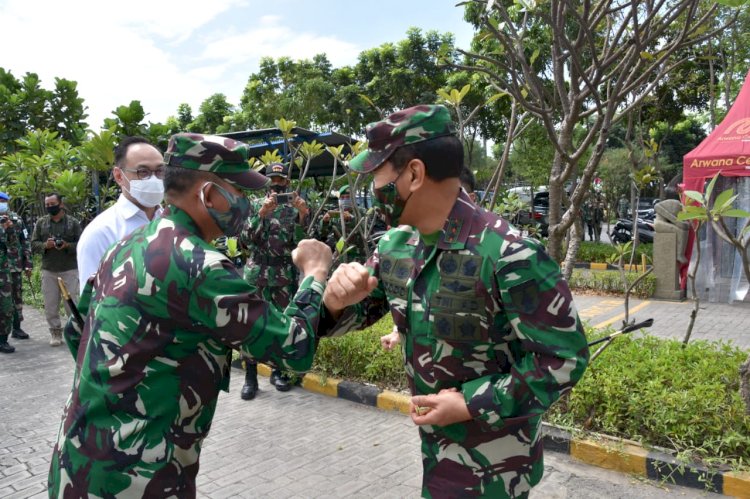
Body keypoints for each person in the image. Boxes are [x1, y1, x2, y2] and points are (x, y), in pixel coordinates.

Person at [321, 105, 589, 498]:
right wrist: (334, 300)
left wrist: (470, 403)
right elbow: (362, 309)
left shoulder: (508, 253)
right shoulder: (396, 246)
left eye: (378, 174)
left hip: (497, 469)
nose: (372, 188)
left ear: (413, 174)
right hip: (438, 455)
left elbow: (564, 360)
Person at [49, 133, 332, 497]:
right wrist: (315, 273)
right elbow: (294, 348)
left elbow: (78, 333)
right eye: (240, 191)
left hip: (78, 461)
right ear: (209, 195)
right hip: (139, 477)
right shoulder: (200, 265)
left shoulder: (125, 245)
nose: (247, 202)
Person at [239, 162, 311, 398]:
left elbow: (303, 243)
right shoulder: (255, 207)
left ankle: (277, 372)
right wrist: (261, 216)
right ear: (266, 183)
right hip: (257, 275)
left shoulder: (293, 209)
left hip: (282, 276)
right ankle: (250, 377)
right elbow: (245, 241)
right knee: (251, 324)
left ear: (287, 183)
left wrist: (303, 215)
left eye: (280, 181)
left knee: (280, 324)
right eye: (272, 181)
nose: (277, 186)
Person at [76, 136, 164, 290]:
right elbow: (93, 301)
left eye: (160, 171)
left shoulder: (171, 220)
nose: (154, 179)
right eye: (143, 172)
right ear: (118, 176)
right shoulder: (102, 232)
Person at [30, 193, 82, 346]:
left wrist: (67, 245)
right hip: (49, 269)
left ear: (60, 204)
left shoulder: (73, 222)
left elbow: (82, 243)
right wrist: (45, 245)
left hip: (69, 269)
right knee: (50, 304)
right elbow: (33, 244)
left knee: (72, 303)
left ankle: (75, 332)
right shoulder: (41, 223)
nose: (49, 207)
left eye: (52, 203)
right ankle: (55, 333)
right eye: (47, 204)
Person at [0, 192, 32, 340]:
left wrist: (28, 263)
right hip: (2, 266)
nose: (1, 204)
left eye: (3, 201)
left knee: (17, 296)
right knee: (4, 300)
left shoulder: (17, 219)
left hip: (16, 264)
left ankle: (17, 327)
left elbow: (24, 240)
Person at [318, 184, 365, 265]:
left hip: (359, 256)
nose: (345, 200)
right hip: (340, 256)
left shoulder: (361, 212)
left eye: (348, 197)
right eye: (342, 198)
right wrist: (324, 222)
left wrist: (351, 219)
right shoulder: (335, 213)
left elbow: (367, 231)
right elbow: (323, 235)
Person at [0, 197, 16, 354]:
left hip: (3, 273)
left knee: (6, 307)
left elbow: (12, 245)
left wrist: (9, 229)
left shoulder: (6, 222)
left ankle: (3, 340)